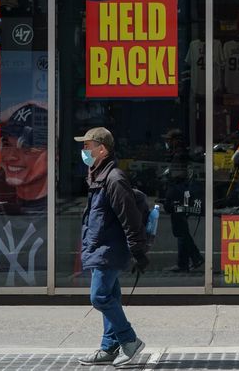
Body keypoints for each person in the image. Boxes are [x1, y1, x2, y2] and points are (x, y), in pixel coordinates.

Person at [75, 127, 148, 367]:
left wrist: (138, 250)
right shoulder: (97, 176)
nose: (84, 151)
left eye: (88, 146)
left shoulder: (113, 178)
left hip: (110, 248)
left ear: (102, 149)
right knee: (111, 296)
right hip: (100, 246)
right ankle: (108, 347)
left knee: (99, 297)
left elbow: (130, 218)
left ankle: (129, 340)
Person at [0, 102, 48, 214]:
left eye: (26, 146)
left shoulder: (58, 215)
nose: (11, 156)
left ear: (55, 153)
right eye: (6, 144)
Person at [162, 164, 204, 273]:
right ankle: (186, 262)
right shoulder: (183, 185)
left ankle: (193, 259)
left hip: (178, 214)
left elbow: (168, 207)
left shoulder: (173, 188)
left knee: (182, 236)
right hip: (182, 212)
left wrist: (168, 204)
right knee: (183, 236)